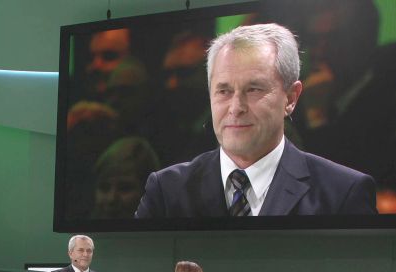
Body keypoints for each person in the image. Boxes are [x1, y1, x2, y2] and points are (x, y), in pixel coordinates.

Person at [134, 23, 376, 219]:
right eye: (224, 91)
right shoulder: (166, 190)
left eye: (254, 89)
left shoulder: (343, 193)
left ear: (291, 98)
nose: (236, 108)